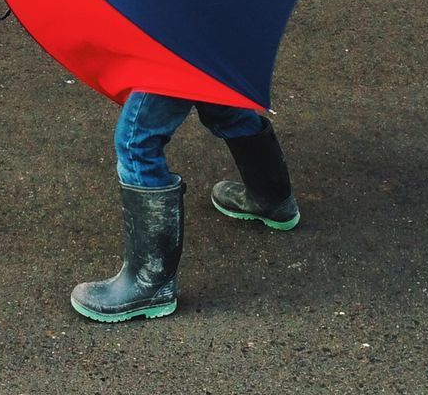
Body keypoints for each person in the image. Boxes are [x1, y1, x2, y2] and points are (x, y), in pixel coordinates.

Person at [70, 90, 300, 322]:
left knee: (136, 141)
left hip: (183, 54)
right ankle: (271, 197)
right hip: (210, 52)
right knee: (218, 98)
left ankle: (148, 283)